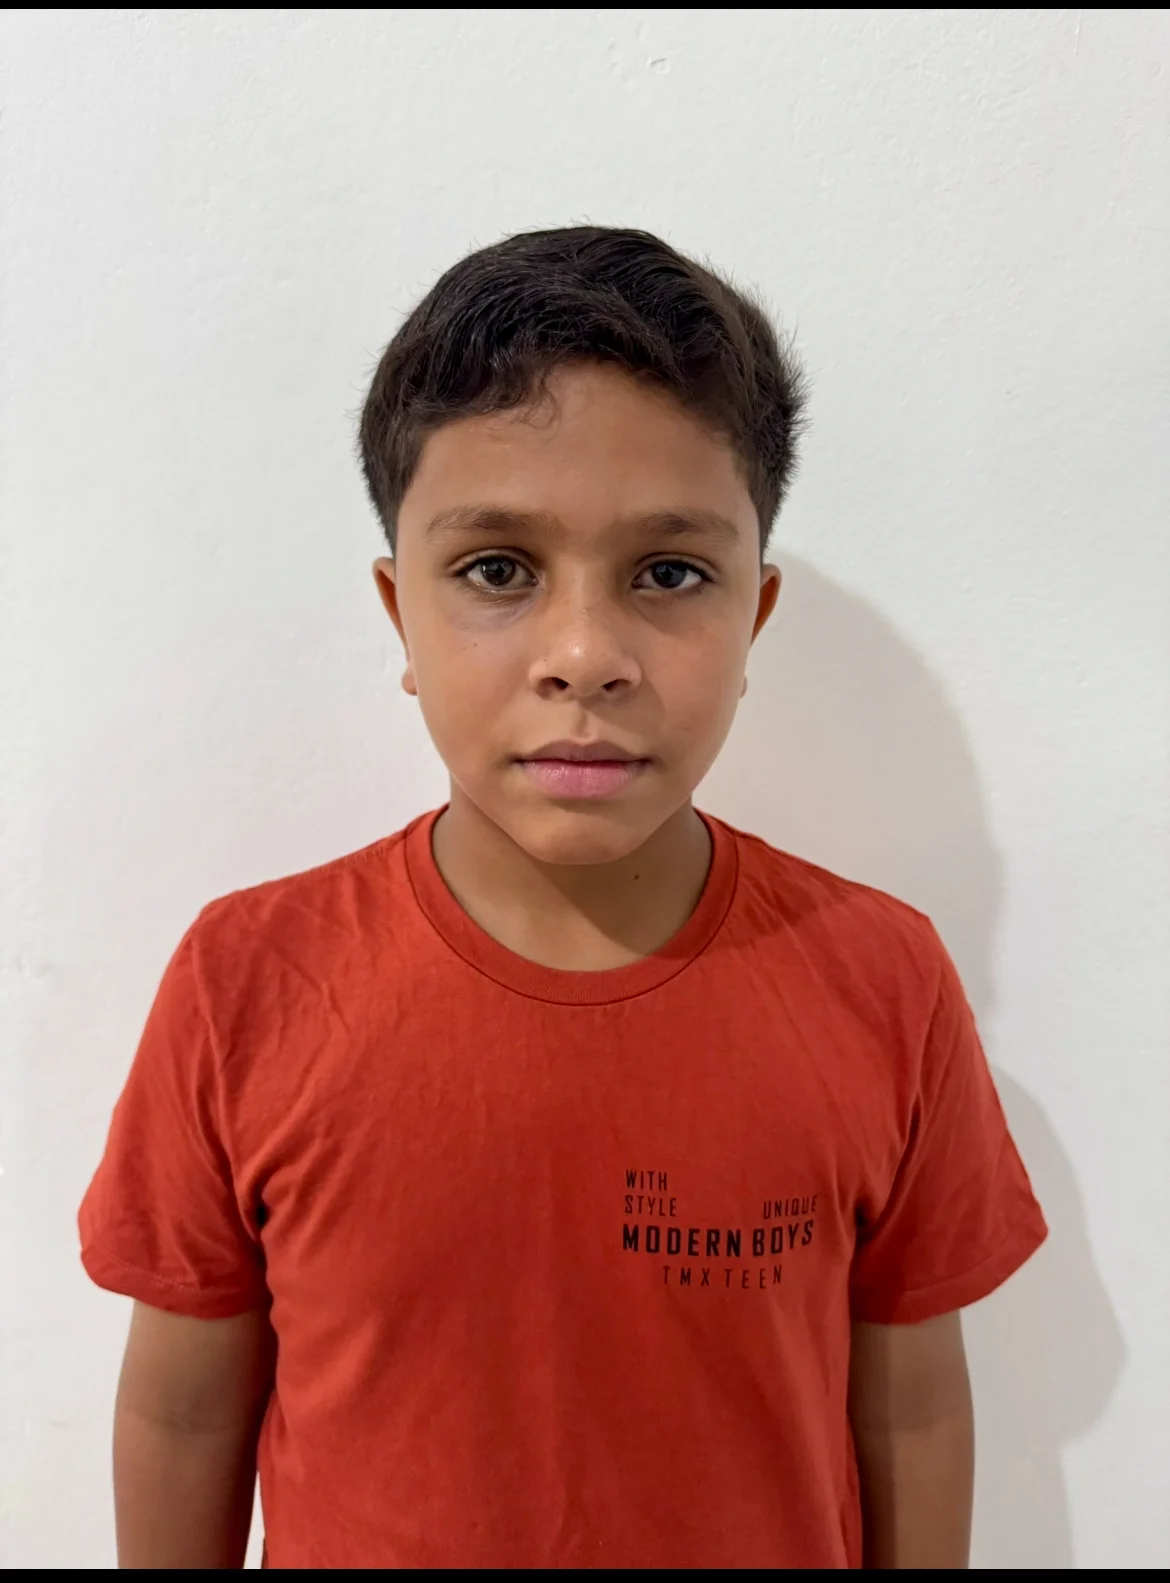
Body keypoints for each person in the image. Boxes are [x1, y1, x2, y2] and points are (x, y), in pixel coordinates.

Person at [79, 226, 1046, 1570]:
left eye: (669, 573)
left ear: (753, 619)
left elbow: (915, 1408)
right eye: (497, 569)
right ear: (399, 613)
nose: (584, 656)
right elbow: (183, 1414)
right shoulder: (246, 979)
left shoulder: (881, 977)